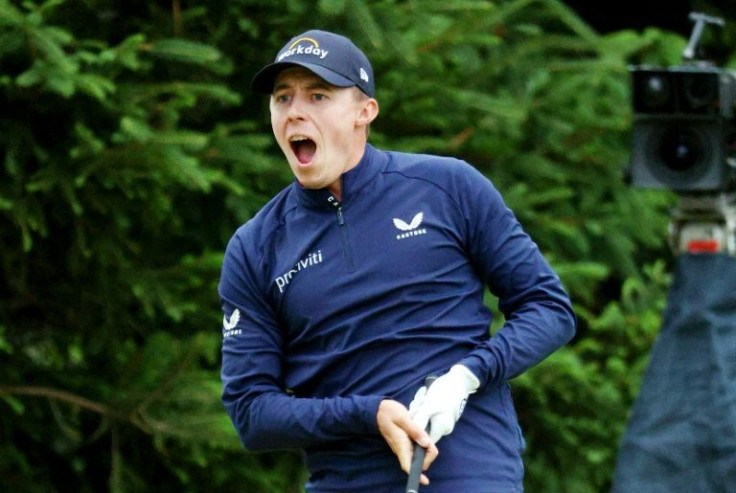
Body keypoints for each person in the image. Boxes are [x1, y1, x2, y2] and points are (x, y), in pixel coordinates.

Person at [219, 28, 576, 493]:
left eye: (319, 95)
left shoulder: (449, 187)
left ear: (365, 111)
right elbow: (252, 413)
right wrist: (369, 414)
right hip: (345, 481)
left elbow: (549, 308)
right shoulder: (256, 247)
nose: (296, 112)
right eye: (283, 98)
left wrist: (468, 376)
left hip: (469, 470)